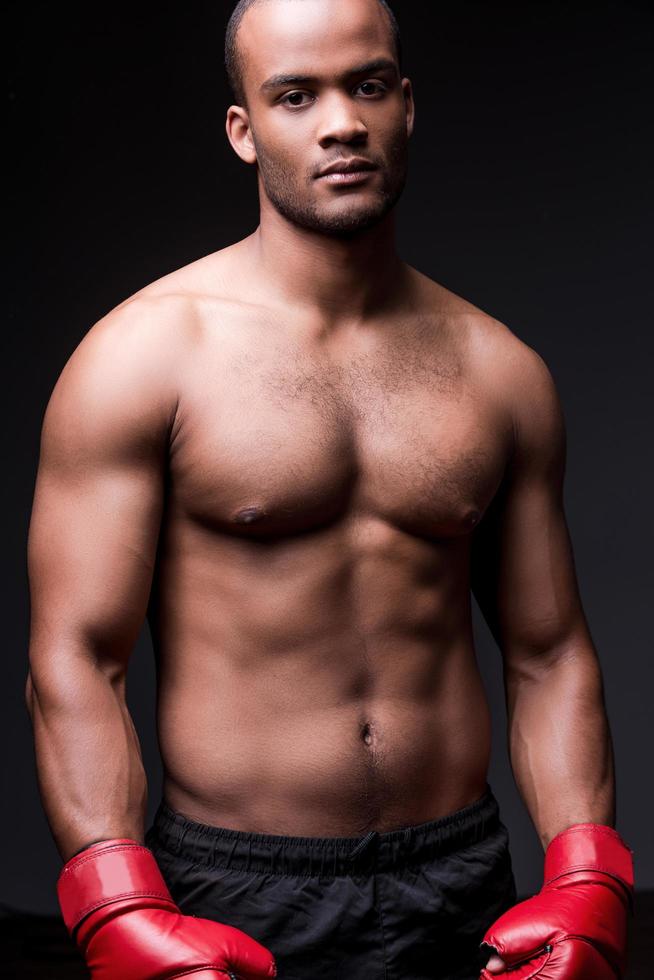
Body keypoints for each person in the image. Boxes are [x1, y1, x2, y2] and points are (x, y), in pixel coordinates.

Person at [26, 1, 634, 978]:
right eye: (296, 95)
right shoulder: (142, 357)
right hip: (232, 887)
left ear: (407, 107)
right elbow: (74, 659)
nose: (341, 121)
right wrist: (116, 901)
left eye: (369, 85)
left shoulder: (500, 371)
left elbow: (549, 651)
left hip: (463, 878)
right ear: (244, 130)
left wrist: (586, 872)